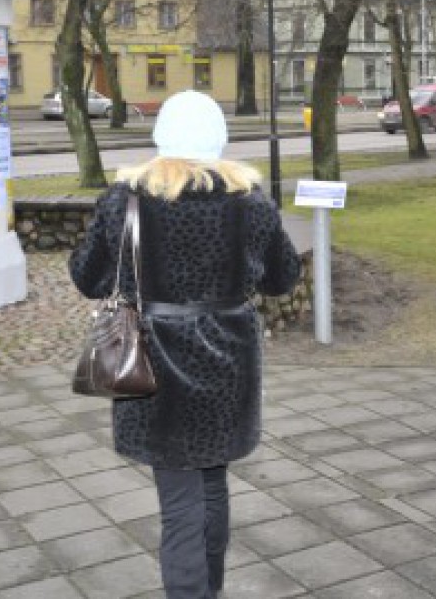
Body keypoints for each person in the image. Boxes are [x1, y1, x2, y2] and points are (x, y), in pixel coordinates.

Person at [69, 90, 301, 599]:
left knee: (179, 502)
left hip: (154, 364)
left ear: (161, 137)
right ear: (219, 137)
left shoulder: (124, 201)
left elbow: (88, 277)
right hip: (227, 363)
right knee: (212, 484)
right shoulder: (252, 203)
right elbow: (283, 278)